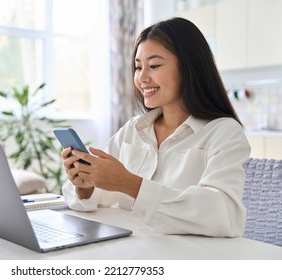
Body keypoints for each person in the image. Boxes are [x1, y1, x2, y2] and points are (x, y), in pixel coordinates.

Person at [60, 17, 251, 237]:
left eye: (154, 66)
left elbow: (222, 214)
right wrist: (86, 186)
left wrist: (129, 183)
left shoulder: (223, 133)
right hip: (133, 250)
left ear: (189, 67)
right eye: (138, 67)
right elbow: (99, 198)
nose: (142, 78)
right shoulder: (133, 130)